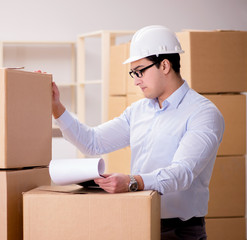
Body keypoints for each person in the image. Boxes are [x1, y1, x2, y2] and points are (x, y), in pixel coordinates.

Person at [52, 25, 224, 239]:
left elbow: (182, 173)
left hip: (180, 231)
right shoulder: (138, 111)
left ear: (164, 65)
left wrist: (132, 182)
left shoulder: (203, 113)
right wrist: (57, 108)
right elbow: (93, 142)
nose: (135, 80)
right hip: (138, 219)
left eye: (140, 71)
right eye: (133, 73)